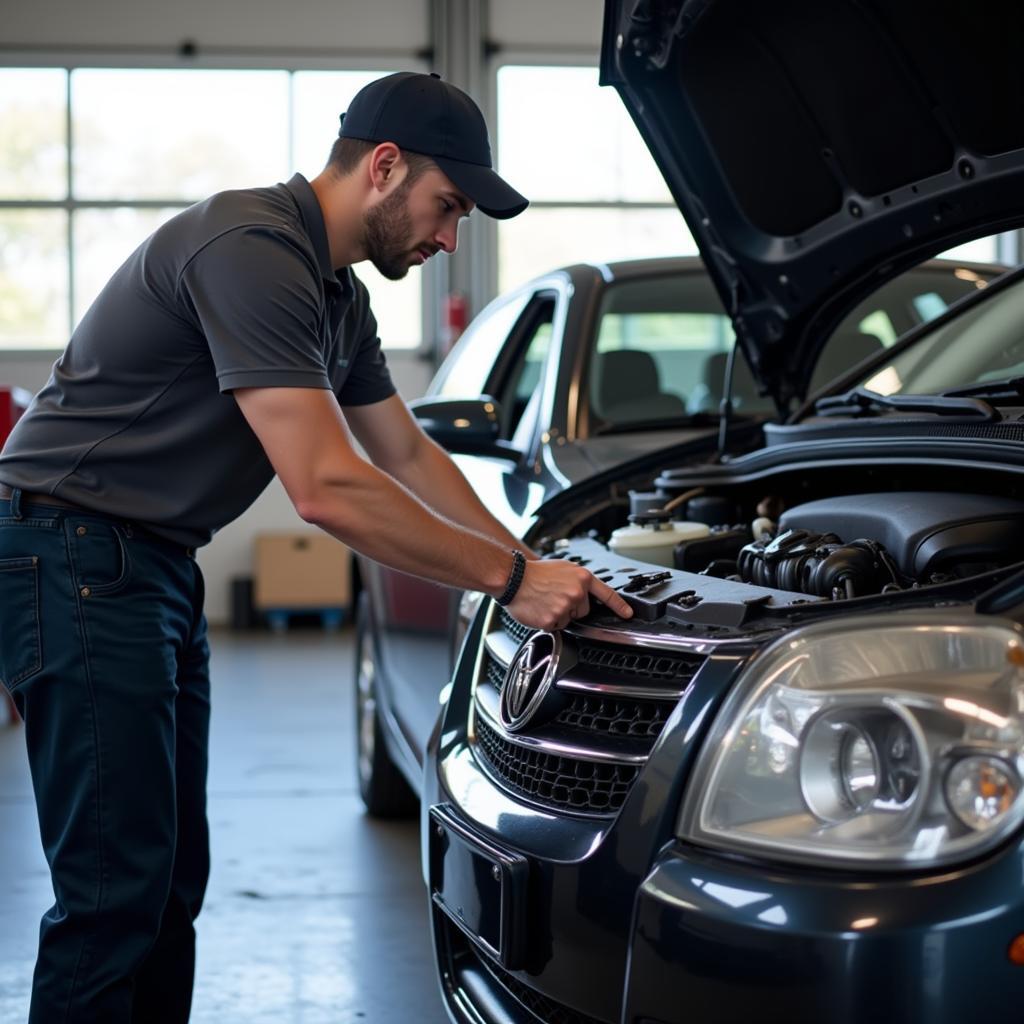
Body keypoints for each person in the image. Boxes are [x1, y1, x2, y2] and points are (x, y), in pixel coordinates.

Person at [0, 71, 632, 1022]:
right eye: (447, 205)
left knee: (167, 884)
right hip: (72, 556)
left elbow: (407, 454)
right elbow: (327, 485)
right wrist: (509, 581)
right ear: (384, 167)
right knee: (112, 897)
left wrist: (531, 563)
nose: (450, 238)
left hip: (149, 566)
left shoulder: (337, 299)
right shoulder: (252, 247)